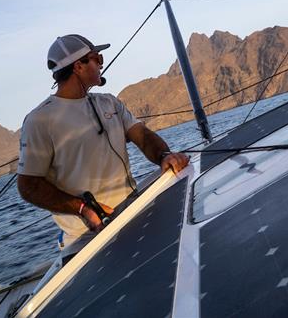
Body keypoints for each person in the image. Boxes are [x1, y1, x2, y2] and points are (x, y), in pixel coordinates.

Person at [17, 34, 189, 248]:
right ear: (79, 66)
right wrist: (82, 208)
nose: (101, 64)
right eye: (97, 58)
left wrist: (164, 155)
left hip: (135, 211)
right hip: (87, 236)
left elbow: (142, 136)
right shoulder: (39, 120)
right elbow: (28, 186)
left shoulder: (109, 102)